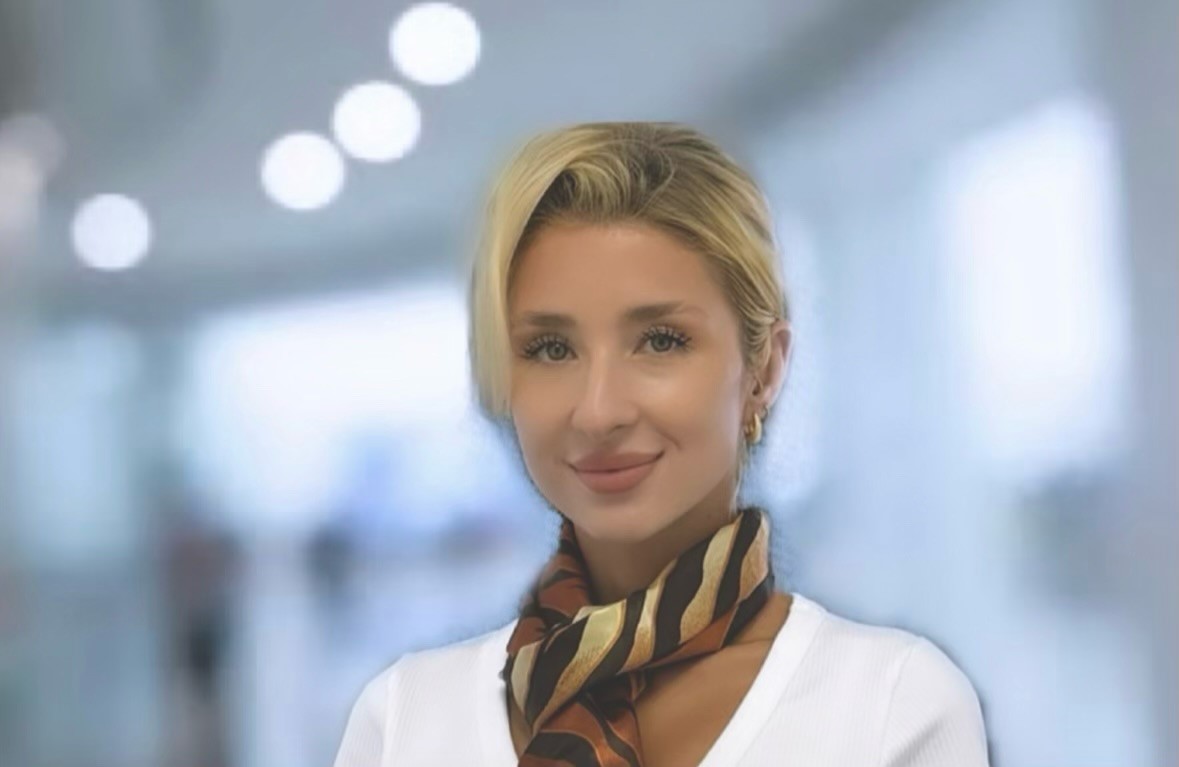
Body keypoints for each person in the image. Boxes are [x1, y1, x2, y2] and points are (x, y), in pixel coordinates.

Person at [332, 122, 991, 766]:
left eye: (660, 341)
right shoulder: (403, 720)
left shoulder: (892, 706)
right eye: (551, 348)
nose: (598, 411)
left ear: (763, 371)